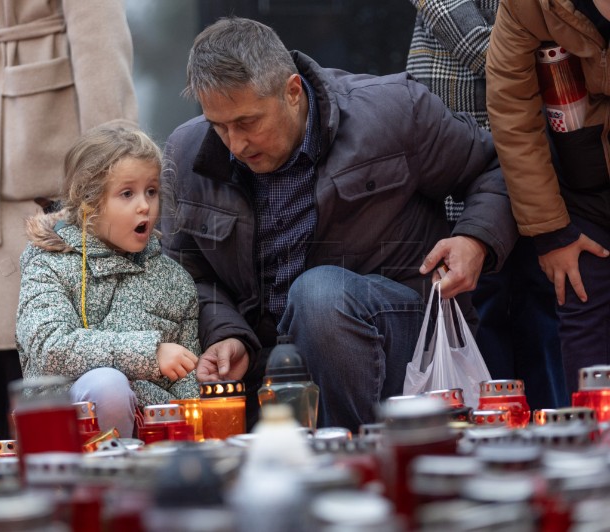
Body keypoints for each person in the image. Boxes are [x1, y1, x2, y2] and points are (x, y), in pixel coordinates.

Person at [159, 17, 518, 431]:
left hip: (402, 347)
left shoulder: (393, 111)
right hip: (265, 369)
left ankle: (352, 457)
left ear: (292, 91)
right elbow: (185, 275)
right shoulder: (187, 152)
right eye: (218, 126)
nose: (235, 144)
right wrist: (227, 333)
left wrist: (474, 239)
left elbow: (495, 167)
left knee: (318, 296)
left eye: (247, 122)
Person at [0, 0, 138, 440]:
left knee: (50, 367)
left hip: (53, 147)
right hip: (3, 119)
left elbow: (100, 40)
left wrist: (115, 177)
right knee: (3, 359)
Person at [406, 0, 567, 410]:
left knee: (543, 300)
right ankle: (493, 438)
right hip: (465, 138)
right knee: (481, 305)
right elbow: (481, 42)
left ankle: (552, 433)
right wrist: (542, 59)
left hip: (541, 136)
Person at [16, 126, 200, 438]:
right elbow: (51, 349)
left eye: (151, 191)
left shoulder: (175, 281)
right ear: (88, 202)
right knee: (107, 385)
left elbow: (186, 387)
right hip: (62, 431)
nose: (144, 205)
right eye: (127, 193)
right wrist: (149, 354)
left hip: (154, 437)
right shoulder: (48, 264)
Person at [486, 0, 610, 397]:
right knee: (579, 299)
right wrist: (552, 232)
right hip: (579, 181)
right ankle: (591, 450)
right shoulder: (526, 4)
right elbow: (512, 111)